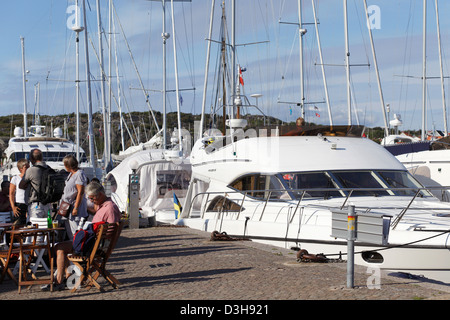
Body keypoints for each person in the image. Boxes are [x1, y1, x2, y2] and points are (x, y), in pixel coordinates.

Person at [52, 181, 121, 290]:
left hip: (93, 247)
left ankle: (59, 281)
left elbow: (111, 232)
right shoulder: (104, 205)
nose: (92, 201)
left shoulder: (109, 208)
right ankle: (68, 279)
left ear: (100, 195)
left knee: (60, 247)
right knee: (61, 246)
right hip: (94, 244)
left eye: (92, 198)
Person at [60, 155, 88, 239]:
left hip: (75, 207)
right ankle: (73, 247)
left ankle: (78, 248)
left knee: (76, 230)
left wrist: (76, 207)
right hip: (67, 206)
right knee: (70, 230)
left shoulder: (79, 174)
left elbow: (80, 192)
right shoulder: (71, 174)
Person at [19, 149, 51, 219]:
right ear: (41, 157)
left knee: (34, 228)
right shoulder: (49, 169)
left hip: (36, 205)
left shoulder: (31, 170)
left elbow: (21, 185)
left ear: (32, 158)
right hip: (48, 205)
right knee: (46, 228)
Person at [9, 159, 30, 225]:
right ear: (21, 169)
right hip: (19, 204)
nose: (28, 168)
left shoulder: (30, 178)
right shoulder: (15, 178)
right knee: (18, 225)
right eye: (26, 167)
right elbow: (11, 193)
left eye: (28, 166)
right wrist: (13, 207)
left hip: (29, 203)